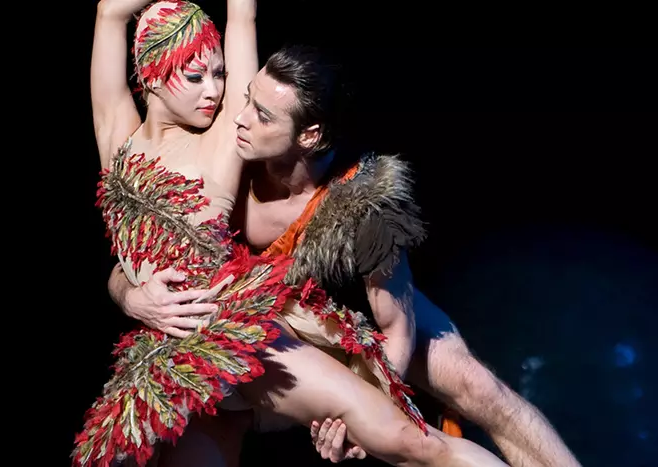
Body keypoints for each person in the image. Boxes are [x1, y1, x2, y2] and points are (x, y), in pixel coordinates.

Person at [75, 1, 506, 466]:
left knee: (412, 443)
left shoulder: (221, 140)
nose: (217, 92)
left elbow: (242, 15)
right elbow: (110, 12)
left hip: (228, 331)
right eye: (197, 77)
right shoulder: (117, 136)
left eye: (220, 75)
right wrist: (129, 291)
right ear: (152, 76)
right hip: (163, 354)